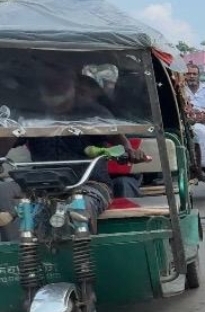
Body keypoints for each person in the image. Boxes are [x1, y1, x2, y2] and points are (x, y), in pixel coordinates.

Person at [0, 61, 148, 238]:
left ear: (73, 82)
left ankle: (79, 261)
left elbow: (120, 142)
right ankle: (17, 257)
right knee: (4, 192)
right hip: (39, 185)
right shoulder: (29, 114)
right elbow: (5, 146)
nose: (53, 84)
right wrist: (11, 125)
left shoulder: (94, 112)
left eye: (59, 80)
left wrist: (129, 152)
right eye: (48, 82)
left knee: (79, 207)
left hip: (89, 184)